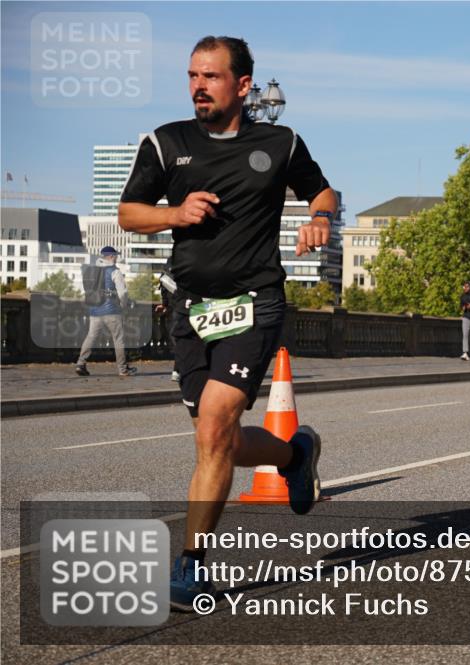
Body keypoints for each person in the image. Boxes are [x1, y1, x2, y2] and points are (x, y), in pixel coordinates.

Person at [118, 36, 337, 611]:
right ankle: (295, 457)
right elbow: (127, 211)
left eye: (211, 77)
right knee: (216, 439)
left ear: (243, 86)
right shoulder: (166, 143)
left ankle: (190, 567)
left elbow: (322, 190)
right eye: (192, 75)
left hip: (255, 301)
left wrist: (318, 218)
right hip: (188, 308)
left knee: (216, 426)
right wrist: (174, 213)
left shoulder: (280, 141)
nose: (198, 86)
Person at [75, 246, 137, 377]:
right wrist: (123, 305)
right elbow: (123, 292)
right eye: (116, 256)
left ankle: (80, 363)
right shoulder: (115, 271)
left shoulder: (93, 270)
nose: (116, 258)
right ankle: (123, 369)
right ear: (111, 256)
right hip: (112, 310)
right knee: (118, 339)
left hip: (95, 310)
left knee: (91, 337)